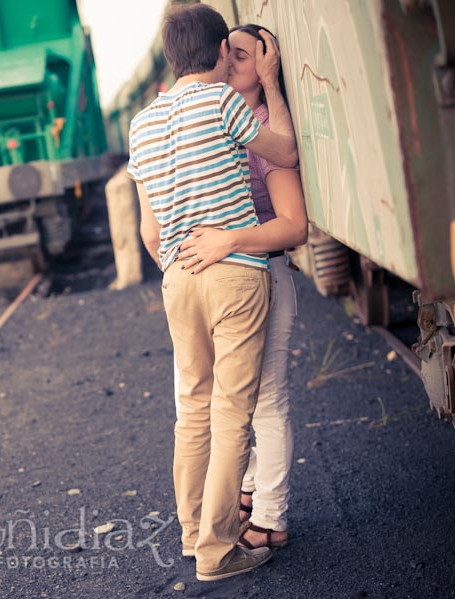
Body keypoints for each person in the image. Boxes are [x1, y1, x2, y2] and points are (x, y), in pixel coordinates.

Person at [127, 3, 298, 582]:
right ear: (222, 50)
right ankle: (219, 550)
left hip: (178, 276)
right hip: (234, 272)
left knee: (192, 412)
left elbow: (148, 229)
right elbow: (286, 152)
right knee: (232, 414)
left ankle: (192, 530)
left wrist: (176, 265)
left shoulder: (143, 123)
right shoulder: (223, 101)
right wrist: (270, 85)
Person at [174, 24, 308, 551]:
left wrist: (229, 241)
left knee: (266, 400)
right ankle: (249, 488)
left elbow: (294, 225)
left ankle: (271, 516)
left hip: (264, 271)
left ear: (266, 65)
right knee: (232, 401)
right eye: (225, 50)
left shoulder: (264, 129)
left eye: (243, 55)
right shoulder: (215, 121)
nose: (228, 60)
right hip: (226, 278)